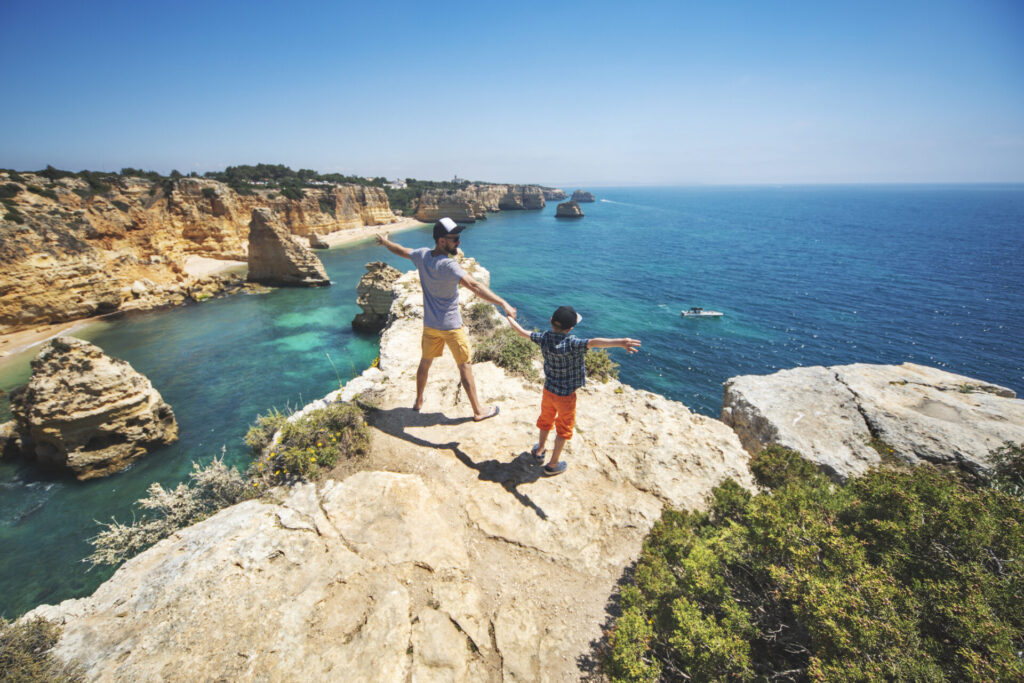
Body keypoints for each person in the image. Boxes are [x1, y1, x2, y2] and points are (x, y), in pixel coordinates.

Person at [376, 217, 516, 421]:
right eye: (455, 239)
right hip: (451, 326)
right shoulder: (449, 265)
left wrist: (385, 242)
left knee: (425, 362)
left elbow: (400, 250)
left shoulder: (422, 255)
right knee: (464, 366)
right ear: (442, 241)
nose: (459, 243)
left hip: (431, 325)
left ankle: (418, 400)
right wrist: (503, 303)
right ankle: (478, 411)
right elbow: (475, 286)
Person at [505, 305, 640, 476]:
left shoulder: (544, 338)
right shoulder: (572, 343)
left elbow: (522, 332)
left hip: (548, 390)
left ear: (550, 321)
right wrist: (620, 342)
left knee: (546, 419)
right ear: (571, 328)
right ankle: (553, 465)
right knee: (563, 428)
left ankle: (539, 450)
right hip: (566, 397)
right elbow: (594, 342)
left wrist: (508, 316)